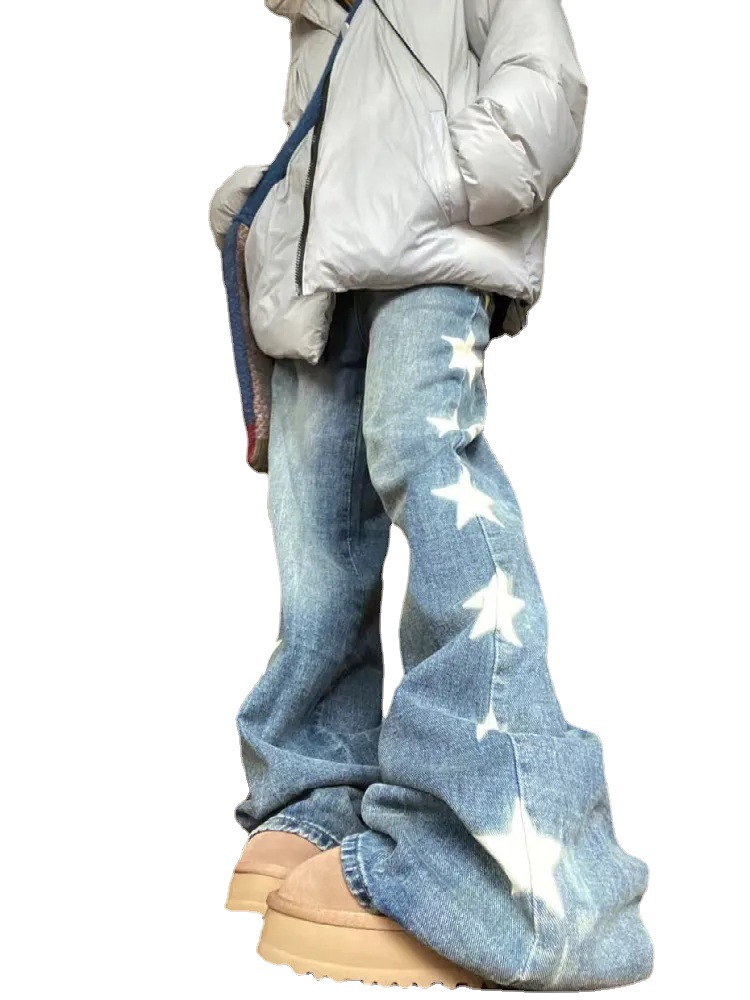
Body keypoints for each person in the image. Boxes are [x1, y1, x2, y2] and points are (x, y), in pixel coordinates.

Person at [210, 0, 653, 989]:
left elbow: (546, 87)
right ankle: (314, 795)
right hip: (326, 270)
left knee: (427, 461)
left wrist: (437, 175)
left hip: (425, 249)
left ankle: (510, 862)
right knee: (316, 513)